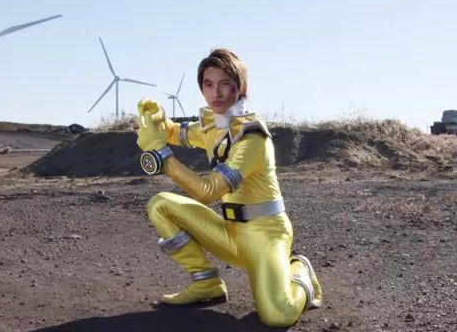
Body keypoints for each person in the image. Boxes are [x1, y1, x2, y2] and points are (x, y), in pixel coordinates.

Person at [135, 48, 322, 327]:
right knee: (160, 204)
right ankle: (206, 283)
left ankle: (300, 270)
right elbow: (176, 133)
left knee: (277, 315)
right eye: (208, 85)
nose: (216, 93)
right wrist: (158, 120)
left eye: (225, 84)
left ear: (241, 87)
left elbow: (208, 192)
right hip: (231, 232)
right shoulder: (214, 126)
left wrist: (162, 156)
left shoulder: (252, 137)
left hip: (266, 235)